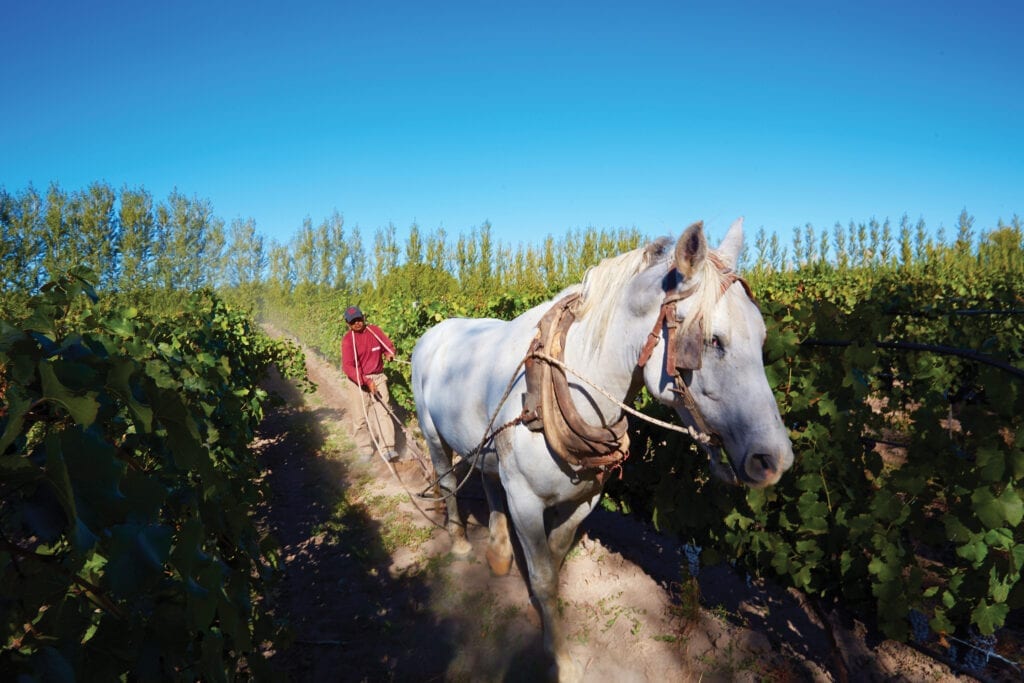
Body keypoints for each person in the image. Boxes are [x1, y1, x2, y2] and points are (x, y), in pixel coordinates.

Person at [341, 305, 400, 462]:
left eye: (359, 319)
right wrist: (366, 381)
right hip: (358, 381)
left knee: (383, 412)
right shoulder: (348, 340)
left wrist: (389, 353)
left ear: (363, 318)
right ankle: (365, 450)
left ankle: (388, 448)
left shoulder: (374, 331)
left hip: (378, 377)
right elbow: (347, 367)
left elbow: (387, 345)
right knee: (360, 418)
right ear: (348, 324)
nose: (357, 323)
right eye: (353, 322)